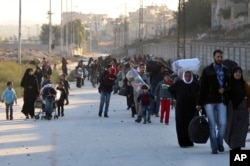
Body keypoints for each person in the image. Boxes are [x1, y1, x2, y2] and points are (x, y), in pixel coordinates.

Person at [196, 49, 230, 154]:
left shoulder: (226, 70)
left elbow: (230, 85)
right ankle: (214, 147)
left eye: (221, 57)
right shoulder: (207, 70)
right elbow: (202, 88)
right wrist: (199, 103)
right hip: (209, 101)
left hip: (221, 100)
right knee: (211, 124)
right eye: (218, 57)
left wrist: (224, 89)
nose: (220, 58)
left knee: (223, 123)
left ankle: (220, 142)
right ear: (214, 57)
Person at [168, 71, 200, 147]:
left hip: (192, 108)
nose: (188, 78)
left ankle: (190, 140)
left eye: (189, 76)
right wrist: (177, 97)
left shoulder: (195, 84)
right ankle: (182, 142)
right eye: (186, 76)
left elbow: (200, 93)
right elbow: (170, 89)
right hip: (181, 108)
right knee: (181, 124)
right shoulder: (179, 83)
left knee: (191, 124)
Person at [225, 66, 250, 151]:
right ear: (233, 74)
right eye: (236, 72)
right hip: (231, 110)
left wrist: (249, 106)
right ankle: (232, 144)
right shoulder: (228, 85)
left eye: (239, 72)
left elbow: (249, 96)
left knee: (241, 128)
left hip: (243, 109)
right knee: (231, 127)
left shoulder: (244, 84)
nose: (238, 74)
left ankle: (237, 145)